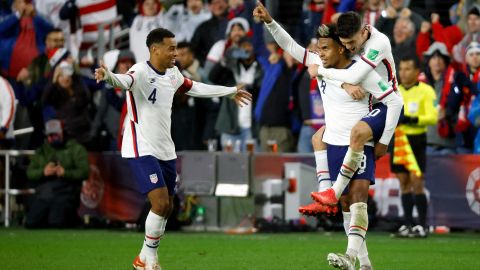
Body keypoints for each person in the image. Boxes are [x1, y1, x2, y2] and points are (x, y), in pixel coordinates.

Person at [254, 4, 403, 270]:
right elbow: (290, 46)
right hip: (335, 142)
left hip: (361, 140)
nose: (319, 54)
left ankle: (348, 255)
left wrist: (383, 140)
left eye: (325, 48)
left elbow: (393, 100)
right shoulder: (320, 63)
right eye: (319, 48)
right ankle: (365, 264)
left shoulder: (363, 73)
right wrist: (270, 22)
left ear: (342, 48)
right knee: (347, 203)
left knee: (358, 198)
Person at [94, 28, 251, 270]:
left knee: (167, 206)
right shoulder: (141, 71)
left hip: (165, 148)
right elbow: (124, 81)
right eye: (171, 48)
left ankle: (143, 258)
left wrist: (229, 91)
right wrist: (108, 76)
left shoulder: (173, 74)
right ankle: (150, 260)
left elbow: (195, 87)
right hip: (141, 146)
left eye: (176, 48)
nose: (175, 53)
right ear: (155, 49)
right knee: (158, 203)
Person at [307, 11, 402, 208]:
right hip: (366, 104)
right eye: (345, 43)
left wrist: (384, 141)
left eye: (351, 43)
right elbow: (302, 54)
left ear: (364, 31)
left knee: (358, 133)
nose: (348, 48)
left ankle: (333, 190)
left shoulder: (379, 43)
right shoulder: (353, 42)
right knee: (319, 137)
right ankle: (331, 192)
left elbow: (354, 75)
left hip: (386, 104)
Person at [391, 56, 437, 238]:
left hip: (417, 139)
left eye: (408, 68)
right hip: (400, 139)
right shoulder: (395, 91)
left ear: (417, 71)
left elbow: (433, 117)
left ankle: (422, 226)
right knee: (403, 183)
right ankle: (408, 225)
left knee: (417, 182)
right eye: (401, 69)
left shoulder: (426, 91)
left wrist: (412, 119)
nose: (403, 72)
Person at [25, 119, 89, 228]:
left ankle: (73, 220)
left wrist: (65, 173)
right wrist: (43, 172)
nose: (51, 138)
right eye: (49, 136)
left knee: (56, 222)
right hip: (45, 193)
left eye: (55, 135)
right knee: (31, 223)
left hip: (66, 192)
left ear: (63, 132)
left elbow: (84, 172)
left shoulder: (76, 149)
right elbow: (30, 172)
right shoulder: (42, 150)